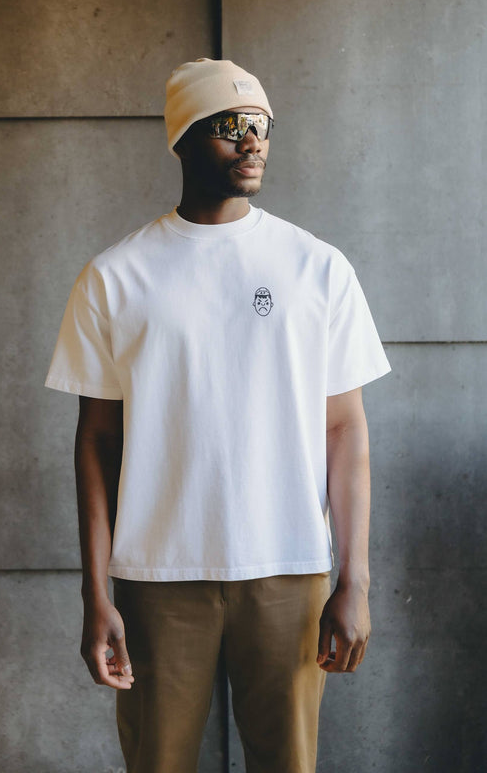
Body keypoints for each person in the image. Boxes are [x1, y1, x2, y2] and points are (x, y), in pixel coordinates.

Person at [45, 58, 391, 773]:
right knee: (157, 763)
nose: (252, 143)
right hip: (157, 577)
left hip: (289, 567)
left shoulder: (316, 268)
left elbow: (345, 429)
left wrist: (352, 577)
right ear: (182, 138)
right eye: (231, 127)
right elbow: (96, 444)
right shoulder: (116, 276)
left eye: (261, 127)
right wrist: (96, 592)